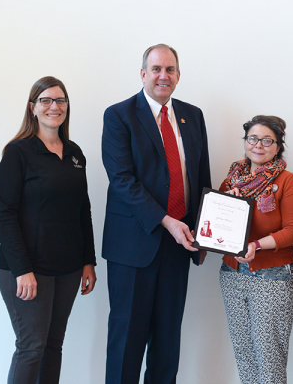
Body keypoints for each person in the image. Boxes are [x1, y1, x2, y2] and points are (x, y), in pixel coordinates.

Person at [101, 44, 211, 384]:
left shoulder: (192, 116)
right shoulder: (119, 115)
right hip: (135, 246)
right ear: (143, 73)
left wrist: (204, 232)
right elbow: (122, 180)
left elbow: (201, 177)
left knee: (167, 344)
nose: (163, 75)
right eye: (156, 69)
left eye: (170, 69)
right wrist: (167, 222)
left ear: (178, 75)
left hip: (180, 245)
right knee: (127, 342)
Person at [0, 76, 97, 384]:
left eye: (61, 101)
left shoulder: (75, 153)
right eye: (46, 101)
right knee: (31, 347)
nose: (55, 107)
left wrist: (87, 260)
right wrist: (22, 269)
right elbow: (4, 215)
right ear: (33, 108)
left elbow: (83, 210)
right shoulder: (18, 153)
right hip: (29, 268)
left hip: (67, 268)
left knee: (53, 345)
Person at [219, 115, 293, 384]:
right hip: (232, 275)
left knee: (270, 358)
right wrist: (227, 202)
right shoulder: (232, 180)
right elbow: (217, 225)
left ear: (278, 145)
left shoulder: (289, 181)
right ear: (246, 142)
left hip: (273, 279)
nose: (259, 145)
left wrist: (256, 245)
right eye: (253, 138)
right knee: (244, 354)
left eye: (267, 140)